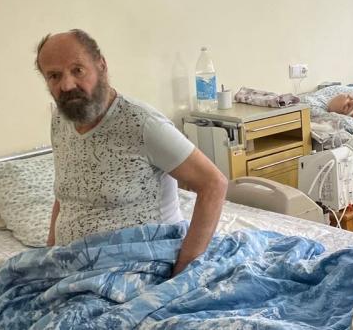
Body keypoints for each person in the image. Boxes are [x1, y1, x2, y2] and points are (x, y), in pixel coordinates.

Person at [36, 29, 228, 277]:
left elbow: (213, 183)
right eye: (54, 76)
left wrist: (184, 269)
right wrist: (49, 255)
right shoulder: (60, 121)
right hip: (72, 264)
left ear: (101, 65)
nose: (67, 85)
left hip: (138, 264)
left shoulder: (142, 124)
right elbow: (64, 195)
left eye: (78, 70)